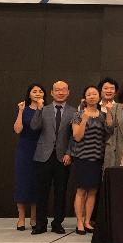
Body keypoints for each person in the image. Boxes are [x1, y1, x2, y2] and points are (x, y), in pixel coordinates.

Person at [29, 80, 76, 235]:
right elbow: (34, 126)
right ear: (51, 92)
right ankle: (40, 224)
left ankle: (57, 223)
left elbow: (74, 136)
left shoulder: (74, 111)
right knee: (41, 192)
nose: (60, 92)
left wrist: (69, 152)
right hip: (43, 156)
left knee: (61, 192)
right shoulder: (44, 109)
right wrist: (38, 109)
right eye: (57, 90)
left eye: (63, 90)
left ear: (68, 92)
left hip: (63, 157)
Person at [70, 85, 113, 235]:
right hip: (82, 158)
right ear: (85, 98)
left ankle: (88, 221)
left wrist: (109, 112)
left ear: (99, 96)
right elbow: (77, 137)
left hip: (97, 158)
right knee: (81, 190)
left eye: (94, 94)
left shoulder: (102, 115)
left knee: (93, 191)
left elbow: (109, 130)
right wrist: (84, 119)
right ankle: (79, 222)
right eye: (89, 94)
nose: (92, 96)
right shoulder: (78, 114)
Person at [12, 83, 45, 231]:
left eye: (40, 91)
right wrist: (20, 111)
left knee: (36, 183)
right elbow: (18, 130)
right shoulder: (23, 109)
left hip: (40, 150)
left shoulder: (46, 110)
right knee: (22, 182)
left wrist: (40, 108)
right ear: (29, 94)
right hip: (25, 150)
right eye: (34, 91)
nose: (37, 93)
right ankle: (21, 218)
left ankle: (33, 217)